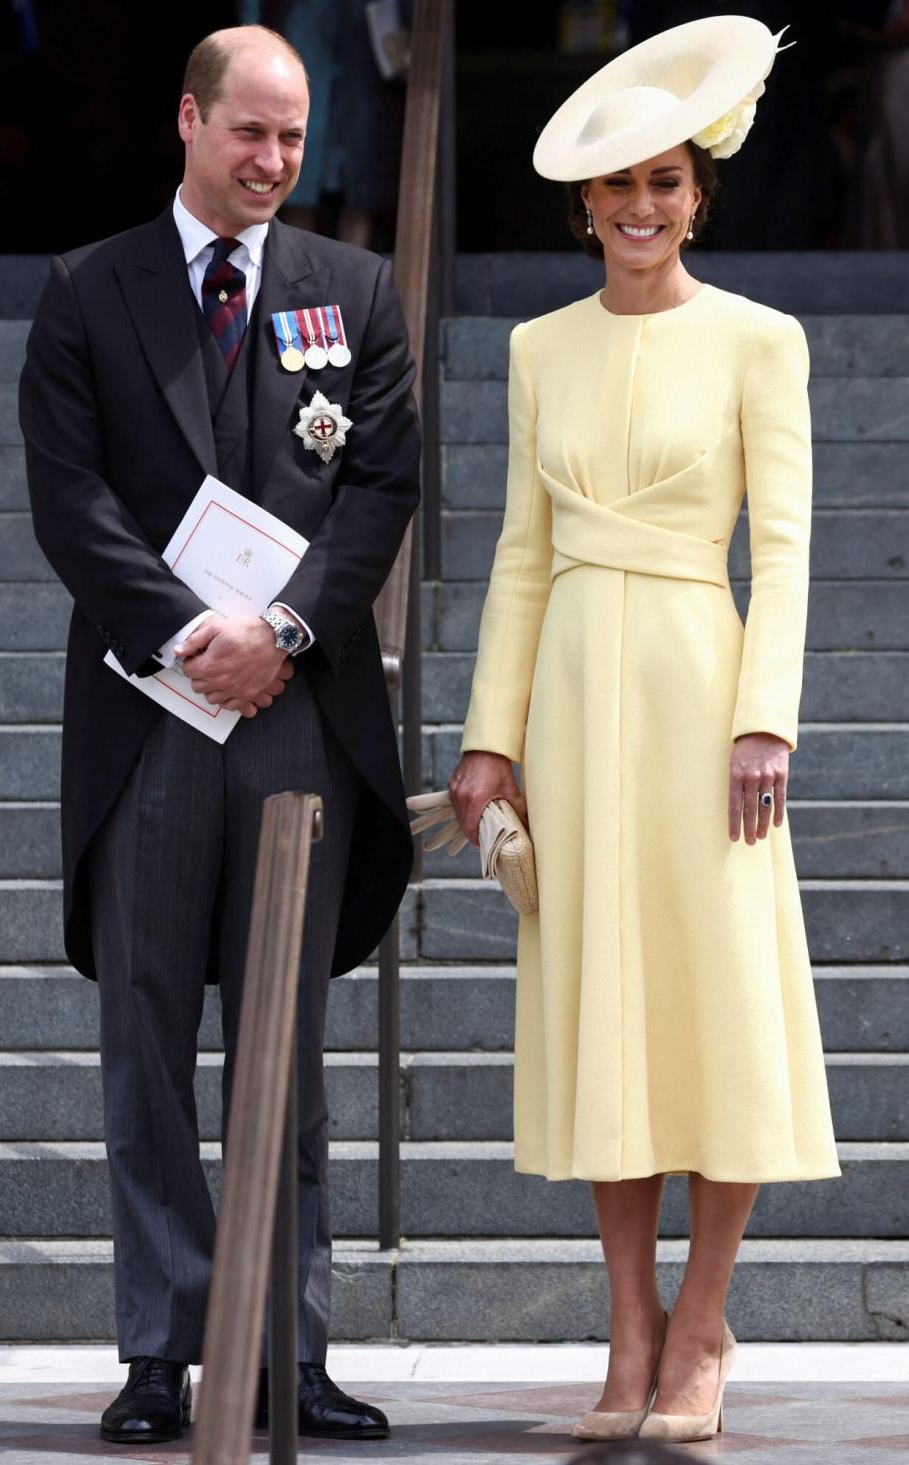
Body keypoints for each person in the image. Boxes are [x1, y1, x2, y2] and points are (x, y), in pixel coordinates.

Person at [19, 24, 420, 1445]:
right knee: (145, 1032)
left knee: (286, 1038)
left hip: (294, 713)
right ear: (186, 123)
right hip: (149, 712)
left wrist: (287, 631)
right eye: (250, 133)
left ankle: (288, 1345)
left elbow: (379, 486)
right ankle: (161, 1344)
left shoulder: (352, 290)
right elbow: (70, 498)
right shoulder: (86, 291)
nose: (274, 163)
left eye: (295, 139)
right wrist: (194, 632)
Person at [447, 14, 839, 1446]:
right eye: (620, 188)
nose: (641, 209)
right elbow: (518, 549)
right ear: (585, 204)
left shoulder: (761, 339)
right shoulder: (537, 347)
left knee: (713, 998)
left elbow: (786, 549)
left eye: (666, 183)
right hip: (569, 697)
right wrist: (491, 734)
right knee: (605, 1007)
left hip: (700, 687)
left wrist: (768, 719)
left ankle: (705, 1316)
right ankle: (626, 1322)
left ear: (699, 191)